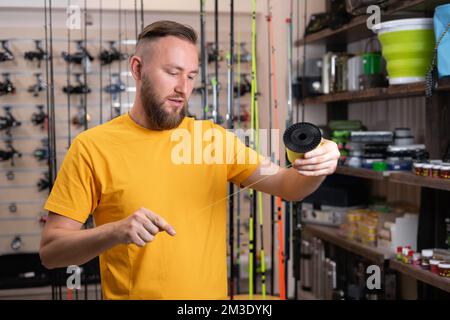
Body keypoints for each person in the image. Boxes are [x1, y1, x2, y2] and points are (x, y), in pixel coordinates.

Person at [39, 20, 340, 299]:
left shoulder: (212, 140)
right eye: (172, 72)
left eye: (191, 76)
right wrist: (114, 232)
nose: (183, 88)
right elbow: (52, 252)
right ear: (137, 69)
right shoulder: (92, 147)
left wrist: (317, 161)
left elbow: (289, 186)